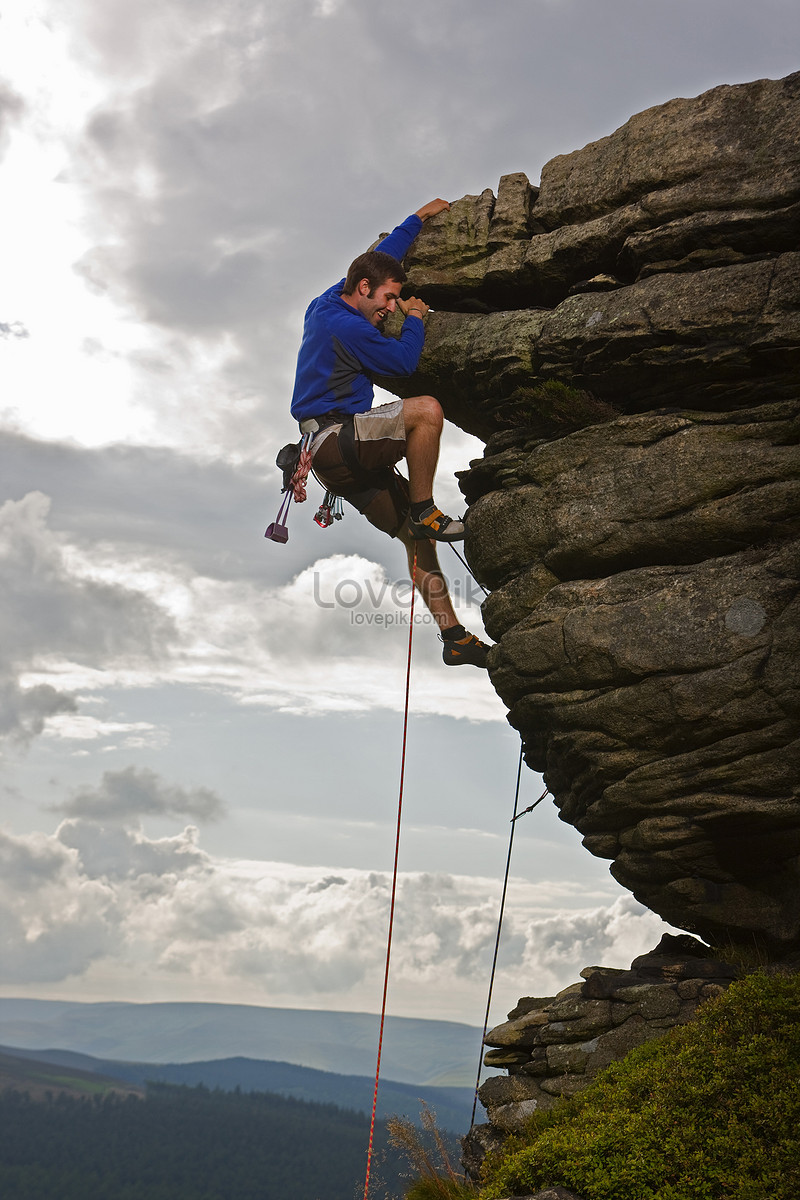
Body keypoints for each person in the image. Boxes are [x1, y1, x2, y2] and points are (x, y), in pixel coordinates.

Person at [290, 199, 489, 668]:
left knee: (415, 543)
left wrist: (417, 220)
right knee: (426, 411)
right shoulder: (348, 327)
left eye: (396, 302)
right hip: (340, 440)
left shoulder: (325, 303)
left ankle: (454, 636)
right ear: (363, 289)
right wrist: (415, 318)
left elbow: (383, 256)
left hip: (330, 461)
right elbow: (403, 363)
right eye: (386, 300)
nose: (390, 308)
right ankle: (424, 509)